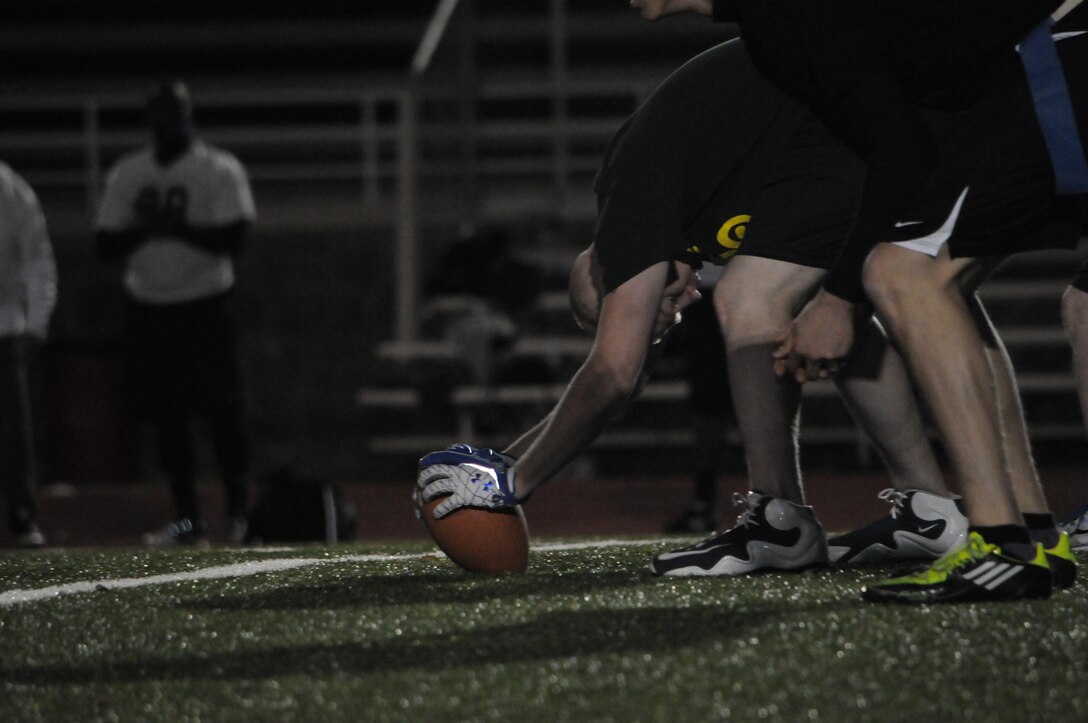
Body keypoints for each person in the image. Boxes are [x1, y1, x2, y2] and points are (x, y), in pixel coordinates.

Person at [417, 39, 968, 576]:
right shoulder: (686, 220)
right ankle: (931, 511)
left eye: (642, 311)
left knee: (750, 296)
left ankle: (780, 517)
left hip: (854, 100)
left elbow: (612, 371)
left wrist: (509, 481)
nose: (676, 314)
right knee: (830, 308)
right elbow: (625, 381)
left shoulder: (629, 209)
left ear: (616, 272)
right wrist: (507, 456)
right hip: (881, 104)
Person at [633, 0, 1084, 600]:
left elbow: (902, 148)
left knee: (908, 278)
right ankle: (1032, 538)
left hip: (1063, 52)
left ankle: (1005, 545)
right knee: (945, 286)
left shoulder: (784, 20)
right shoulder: (775, 25)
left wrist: (838, 299)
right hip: (1046, 58)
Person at [94, 81, 256, 546]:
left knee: (223, 413)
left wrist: (176, 228)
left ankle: (239, 512)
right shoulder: (129, 173)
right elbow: (104, 243)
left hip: (205, 304)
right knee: (167, 418)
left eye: (174, 113)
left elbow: (235, 239)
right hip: (150, 307)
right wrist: (150, 232)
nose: (167, 124)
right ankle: (188, 519)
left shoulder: (217, 169)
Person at [0, 161, 57, 548]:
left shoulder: (9, 186)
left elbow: (36, 255)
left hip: (2, 326)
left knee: (12, 429)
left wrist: (35, 321)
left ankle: (22, 514)